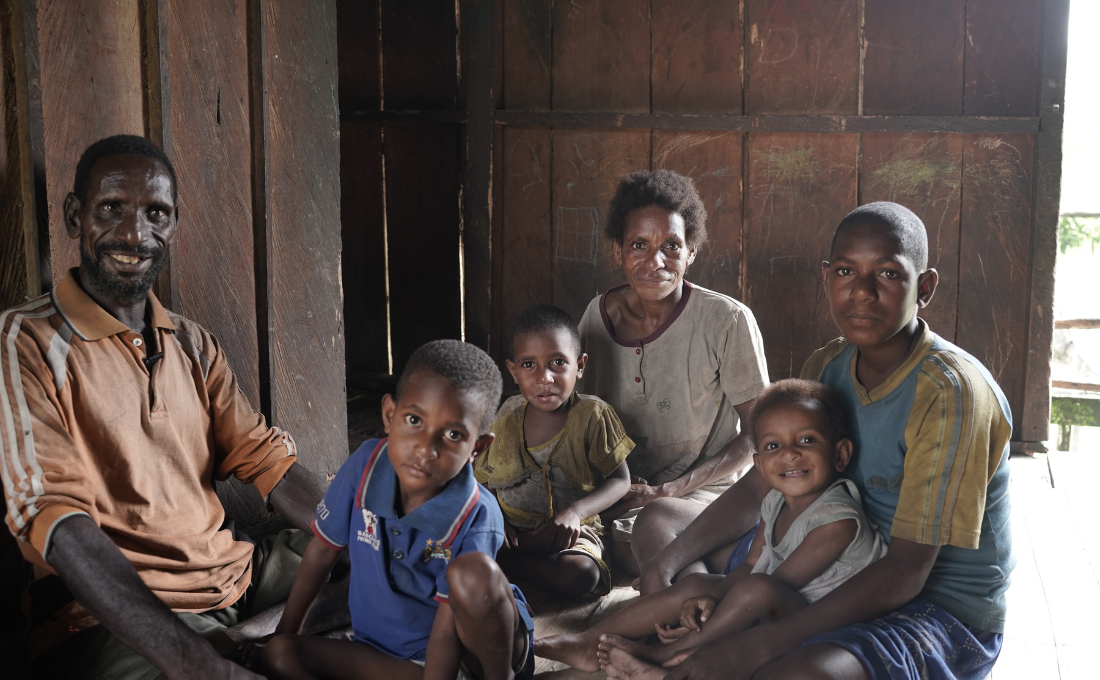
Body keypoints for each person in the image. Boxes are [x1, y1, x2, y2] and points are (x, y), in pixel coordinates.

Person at [599, 201, 1014, 680]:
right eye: (845, 271)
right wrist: (666, 566)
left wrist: (755, 647)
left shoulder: (950, 393)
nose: (862, 292)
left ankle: (718, 631)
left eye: (887, 273)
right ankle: (707, 621)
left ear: (924, 287)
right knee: (660, 521)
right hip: (815, 550)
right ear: (827, 278)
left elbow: (907, 571)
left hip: (928, 604)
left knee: (800, 672)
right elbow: (762, 484)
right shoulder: (828, 365)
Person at [0, 135, 335, 680]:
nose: (135, 234)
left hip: (237, 580)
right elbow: (55, 518)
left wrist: (369, 539)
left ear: (174, 224)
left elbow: (267, 461)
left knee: (395, 560)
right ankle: (249, 644)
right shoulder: (24, 342)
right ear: (74, 216)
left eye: (155, 213)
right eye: (112, 208)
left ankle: (249, 636)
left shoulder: (192, 343)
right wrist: (197, 663)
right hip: (123, 620)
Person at [535, 379, 887, 672]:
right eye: (773, 445)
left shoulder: (837, 520)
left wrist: (713, 610)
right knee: (698, 585)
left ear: (840, 454)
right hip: (777, 600)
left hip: (818, 622)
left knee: (750, 591)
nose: (789, 453)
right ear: (760, 466)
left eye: (807, 440)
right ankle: (591, 641)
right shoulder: (775, 502)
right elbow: (749, 567)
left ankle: (662, 655)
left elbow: (770, 586)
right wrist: (703, 599)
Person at [257, 339, 536, 680]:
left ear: (477, 448)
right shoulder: (365, 467)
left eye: (452, 434)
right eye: (414, 419)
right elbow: (321, 552)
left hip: (473, 652)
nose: (425, 448)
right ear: (390, 415)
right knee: (279, 654)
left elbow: (445, 634)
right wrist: (283, 632)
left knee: (473, 575)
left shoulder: (476, 514)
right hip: (388, 655)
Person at [576, 169, 770, 588]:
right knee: (600, 549)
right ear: (618, 250)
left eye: (671, 246)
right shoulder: (596, 316)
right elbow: (582, 419)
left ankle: (690, 596)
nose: (655, 261)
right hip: (623, 493)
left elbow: (760, 434)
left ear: (691, 252)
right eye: (639, 245)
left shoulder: (726, 320)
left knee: (646, 535)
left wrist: (672, 490)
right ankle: (697, 586)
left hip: (707, 491)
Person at [475, 304, 633, 597]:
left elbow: (621, 481)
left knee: (581, 574)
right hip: (511, 531)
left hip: (571, 532)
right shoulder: (507, 415)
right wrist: (495, 518)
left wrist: (575, 512)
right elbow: (482, 480)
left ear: (580, 365)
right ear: (513, 371)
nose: (544, 377)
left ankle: (502, 560)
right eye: (528, 365)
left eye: (558, 362)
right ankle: (508, 551)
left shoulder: (593, 415)